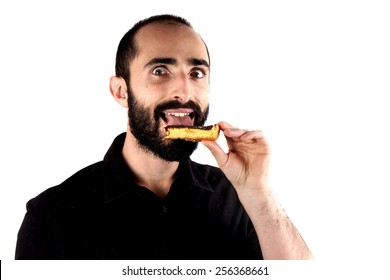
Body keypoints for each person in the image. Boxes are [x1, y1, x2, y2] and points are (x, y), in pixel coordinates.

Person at [15, 14, 314, 260]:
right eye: (160, 71)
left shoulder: (241, 198)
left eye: (197, 73)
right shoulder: (50, 217)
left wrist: (258, 194)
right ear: (121, 91)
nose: (184, 91)